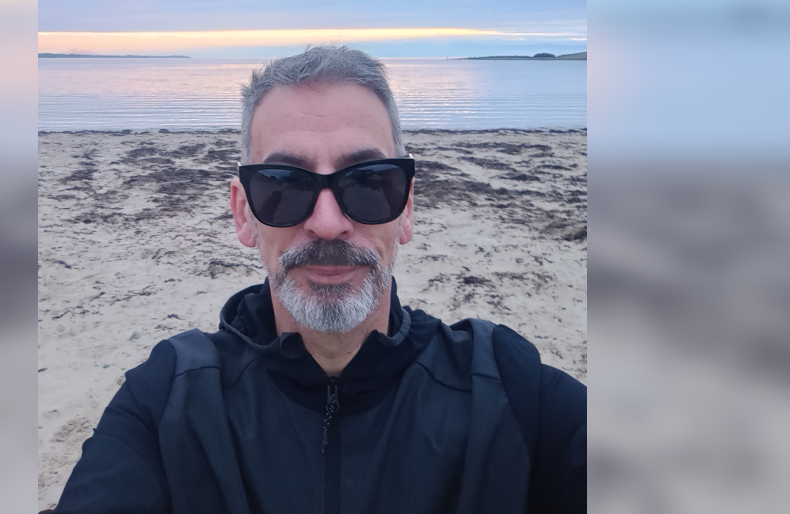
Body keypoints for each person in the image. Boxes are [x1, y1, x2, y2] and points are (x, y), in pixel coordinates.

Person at [48, 45, 586, 514]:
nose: (328, 223)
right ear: (242, 213)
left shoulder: (508, 390)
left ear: (406, 209)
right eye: (283, 184)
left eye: (370, 182)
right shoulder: (169, 400)